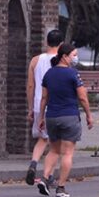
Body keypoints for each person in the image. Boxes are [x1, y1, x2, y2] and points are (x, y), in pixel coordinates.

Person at [37, 44, 94, 197]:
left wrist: (40, 117)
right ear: (64, 56)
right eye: (74, 54)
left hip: (52, 116)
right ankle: (61, 187)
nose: (75, 57)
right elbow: (82, 96)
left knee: (53, 150)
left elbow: (44, 98)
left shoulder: (49, 74)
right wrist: (89, 115)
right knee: (67, 153)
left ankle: (45, 177)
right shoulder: (73, 74)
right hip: (69, 116)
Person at [25, 29, 63, 186]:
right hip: (55, 106)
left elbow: (30, 85)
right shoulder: (62, 61)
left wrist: (30, 107)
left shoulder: (35, 60)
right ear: (61, 44)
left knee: (42, 139)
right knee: (56, 145)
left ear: (46, 42)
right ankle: (49, 175)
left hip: (37, 104)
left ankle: (34, 163)